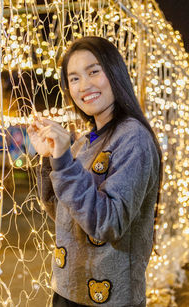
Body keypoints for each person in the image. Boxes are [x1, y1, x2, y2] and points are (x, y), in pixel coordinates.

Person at [28, 36, 162, 307]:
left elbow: (107, 224)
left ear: (114, 72)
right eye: (74, 78)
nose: (84, 85)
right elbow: (65, 213)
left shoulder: (133, 138)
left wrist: (64, 161)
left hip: (110, 299)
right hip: (69, 289)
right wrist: (50, 157)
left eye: (93, 71)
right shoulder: (86, 140)